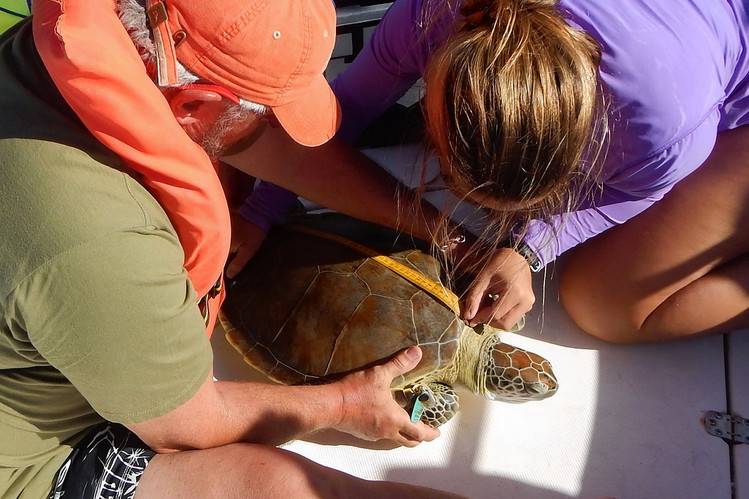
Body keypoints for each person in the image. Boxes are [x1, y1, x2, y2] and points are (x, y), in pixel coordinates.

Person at [0, 0, 463, 497]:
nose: (278, 128)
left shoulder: (80, 50)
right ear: (193, 107)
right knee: (284, 483)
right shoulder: (99, 239)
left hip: (86, 332)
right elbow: (188, 424)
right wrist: (345, 405)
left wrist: (434, 227)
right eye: (269, 114)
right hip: (37, 451)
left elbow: (261, 145)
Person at [227, 0, 749, 343]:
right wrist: (260, 209)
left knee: (606, 306)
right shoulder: (431, 15)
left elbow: (631, 192)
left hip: (727, 108)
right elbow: (339, 115)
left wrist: (532, 248)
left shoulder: (659, 128)